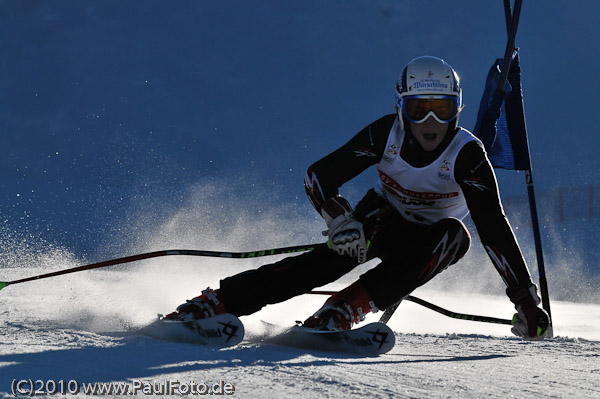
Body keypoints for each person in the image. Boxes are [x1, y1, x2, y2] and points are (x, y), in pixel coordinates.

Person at [166, 56, 550, 340]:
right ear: (401, 108)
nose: (430, 123)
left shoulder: (468, 155)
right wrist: (339, 220)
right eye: (419, 110)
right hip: (378, 219)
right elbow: (318, 176)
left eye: (441, 109)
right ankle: (217, 302)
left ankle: (345, 308)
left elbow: (493, 227)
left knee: (456, 236)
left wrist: (525, 300)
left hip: (427, 242)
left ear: (457, 110)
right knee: (322, 265)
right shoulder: (386, 135)